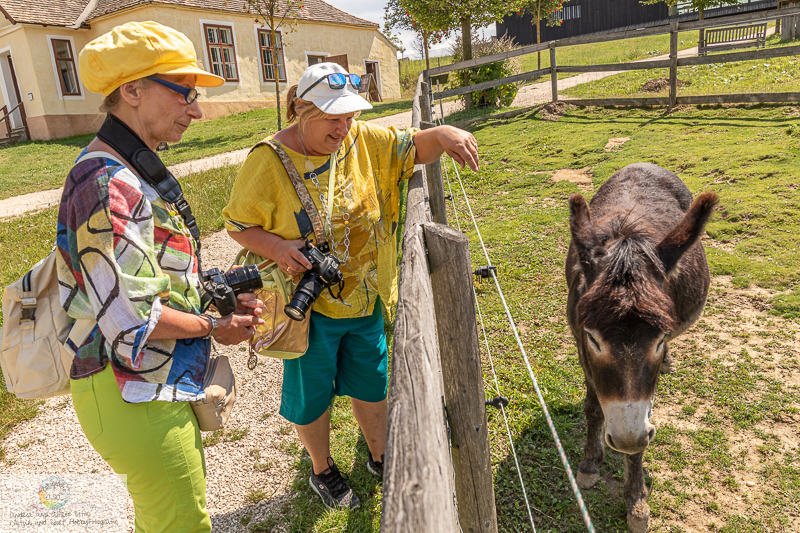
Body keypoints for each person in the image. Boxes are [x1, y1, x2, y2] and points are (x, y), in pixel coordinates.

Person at [223, 62, 479, 509]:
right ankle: (321, 469)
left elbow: (412, 148)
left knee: (371, 381)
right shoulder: (267, 160)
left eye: (350, 117)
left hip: (364, 296)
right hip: (306, 308)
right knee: (312, 393)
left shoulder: (362, 140)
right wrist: (279, 247)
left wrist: (444, 134)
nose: (343, 128)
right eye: (332, 119)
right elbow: (238, 225)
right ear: (300, 111)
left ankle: (379, 455)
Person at [56, 21, 264, 532]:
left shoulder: (127, 167)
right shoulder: (106, 180)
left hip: (146, 387)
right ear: (132, 91)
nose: (196, 109)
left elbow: (147, 278)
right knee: (181, 524)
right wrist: (218, 329)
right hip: (130, 390)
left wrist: (215, 295)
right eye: (184, 93)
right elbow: (133, 323)